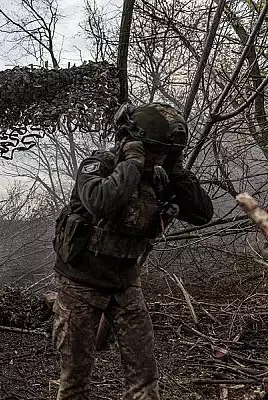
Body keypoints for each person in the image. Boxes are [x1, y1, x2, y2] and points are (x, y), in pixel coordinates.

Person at [51, 102, 213, 399]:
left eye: (165, 152)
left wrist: (176, 172)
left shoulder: (162, 175)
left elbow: (203, 213)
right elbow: (100, 202)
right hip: (80, 283)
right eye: (153, 149)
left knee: (144, 375)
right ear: (134, 143)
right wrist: (132, 164)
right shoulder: (100, 166)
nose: (159, 157)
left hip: (124, 282)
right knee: (75, 378)